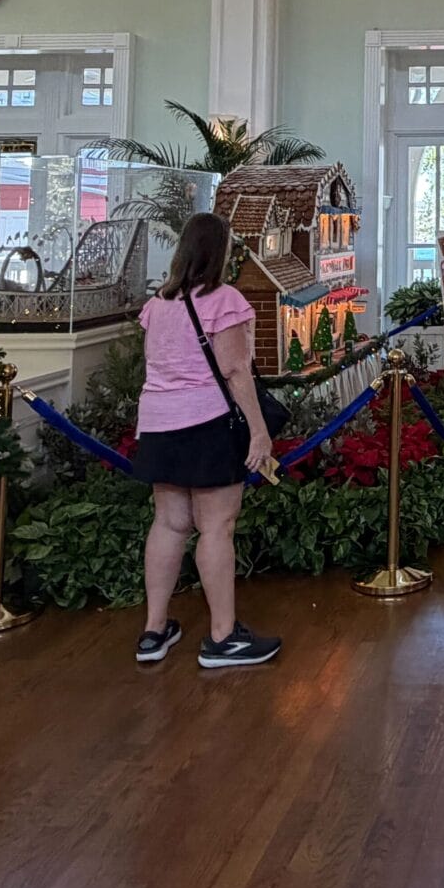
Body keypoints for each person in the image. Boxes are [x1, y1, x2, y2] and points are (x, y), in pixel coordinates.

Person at [130, 213, 283, 670]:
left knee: (169, 522)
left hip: (157, 421)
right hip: (206, 421)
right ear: (220, 253)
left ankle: (153, 630)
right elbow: (236, 371)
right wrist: (259, 431)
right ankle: (222, 638)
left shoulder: (158, 303)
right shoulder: (225, 300)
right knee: (217, 525)